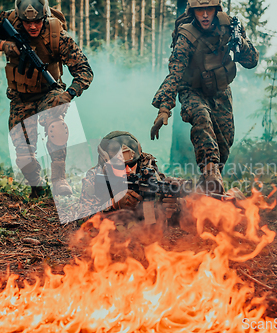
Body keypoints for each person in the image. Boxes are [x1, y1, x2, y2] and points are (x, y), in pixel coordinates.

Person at [0, 0, 93, 198]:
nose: (32, 26)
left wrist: (69, 93)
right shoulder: (7, 20)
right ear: (19, 19)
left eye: (37, 22)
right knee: (23, 155)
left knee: (56, 125)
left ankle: (59, 179)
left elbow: (84, 70)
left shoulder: (57, 36)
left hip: (50, 92)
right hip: (20, 97)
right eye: (27, 23)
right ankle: (37, 187)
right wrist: (3, 44)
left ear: (44, 17)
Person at [150, 0, 258, 195]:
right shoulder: (186, 35)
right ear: (193, 11)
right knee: (201, 118)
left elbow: (252, 61)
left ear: (217, 10)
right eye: (200, 10)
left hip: (220, 91)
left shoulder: (230, 27)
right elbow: (175, 73)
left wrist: (240, 44)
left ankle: (206, 192)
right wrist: (164, 108)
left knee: (224, 145)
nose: (205, 15)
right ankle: (209, 170)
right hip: (192, 90)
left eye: (209, 9)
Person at [79, 131, 182, 224]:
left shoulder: (146, 169)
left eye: (132, 164)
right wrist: (113, 205)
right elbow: (82, 219)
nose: (128, 170)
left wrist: (165, 205)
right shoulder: (95, 177)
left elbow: (155, 214)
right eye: (121, 166)